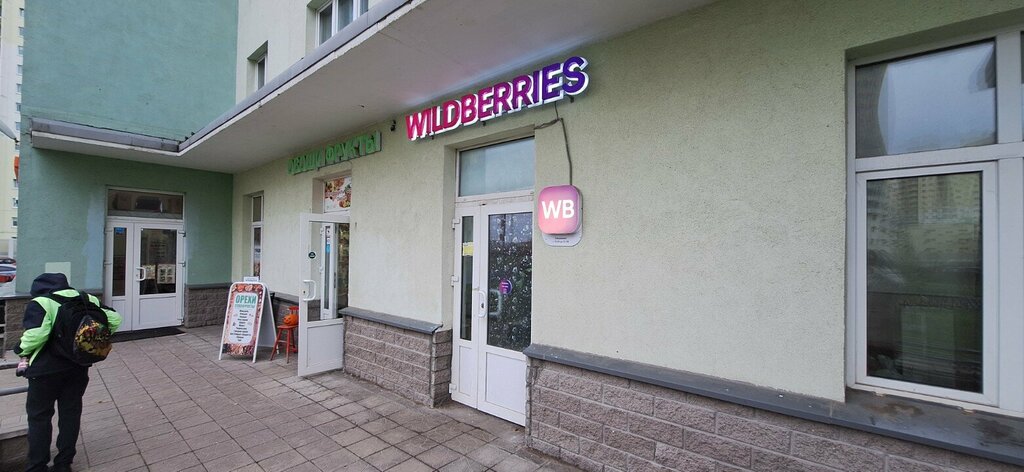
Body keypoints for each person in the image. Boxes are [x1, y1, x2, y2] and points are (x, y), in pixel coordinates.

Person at [14, 273, 122, 472]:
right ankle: (64, 464)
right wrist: (88, 339)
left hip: (45, 371)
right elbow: (114, 319)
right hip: (78, 366)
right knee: (70, 414)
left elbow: (36, 335)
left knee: (39, 417)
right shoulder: (87, 298)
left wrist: (20, 349)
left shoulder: (41, 303)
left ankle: (37, 465)